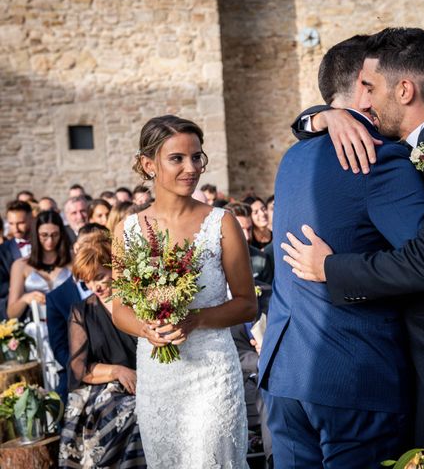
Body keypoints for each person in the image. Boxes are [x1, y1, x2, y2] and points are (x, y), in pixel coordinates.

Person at [259, 34, 424, 468]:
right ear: (359, 86)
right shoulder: (374, 157)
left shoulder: (292, 158)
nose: (370, 101)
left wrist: (320, 118)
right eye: (367, 88)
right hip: (351, 378)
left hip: (284, 372)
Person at [112, 114, 257, 468]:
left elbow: (247, 305)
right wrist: (146, 328)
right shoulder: (127, 230)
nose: (190, 168)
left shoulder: (221, 223)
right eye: (177, 158)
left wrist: (195, 320)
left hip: (212, 374)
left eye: (197, 157)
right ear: (149, 165)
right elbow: (119, 309)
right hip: (158, 378)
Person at [59, 237, 145, 468]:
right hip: (108, 390)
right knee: (136, 413)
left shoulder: (139, 300)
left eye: (99, 277)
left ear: (114, 268)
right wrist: (117, 371)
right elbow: (80, 370)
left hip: (153, 379)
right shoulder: (82, 312)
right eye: (87, 282)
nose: (94, 287)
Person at [47, 223, 109, 403]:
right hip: (85, 371)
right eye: (86, 246)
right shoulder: (56, 298)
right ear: (76, 248)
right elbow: (60, 349)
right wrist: (96, 369)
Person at [7, 210, 72, 320]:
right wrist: (26, 298)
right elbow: (11, 313)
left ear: (62, 234)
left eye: (55, 235)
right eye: (44, 235)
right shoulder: (20, 265)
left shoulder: (73, 259)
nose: (50, 240)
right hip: (39, 327)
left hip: (70, 323)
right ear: (36, 235)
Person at [0, 200, 33, 319]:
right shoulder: (2, 251)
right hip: (17, 317)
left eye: (20, 223)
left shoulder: (46, 246)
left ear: (31, 218)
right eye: (11, 223)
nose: (16, 228)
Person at [227, 202, 274, 285]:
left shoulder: (261, 260)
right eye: (240, 230)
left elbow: (269, 294)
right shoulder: (208, 258)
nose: (247, 236)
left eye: (249, 229)